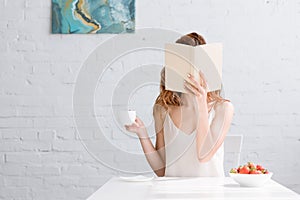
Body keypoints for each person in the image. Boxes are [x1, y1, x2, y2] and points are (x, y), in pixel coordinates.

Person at [125, 32, 234, 177]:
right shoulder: (162, 110)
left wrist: (200, 104)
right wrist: (142, 134)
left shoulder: (223, 109)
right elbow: (162, 170)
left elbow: (204, 155)